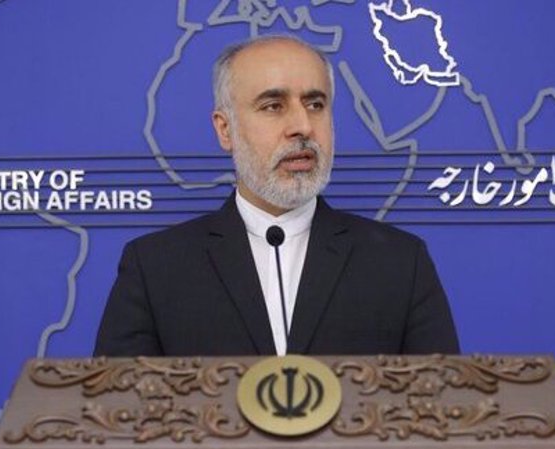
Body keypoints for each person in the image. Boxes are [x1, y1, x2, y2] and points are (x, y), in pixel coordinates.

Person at [94, 35, 459, 357]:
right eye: (274, 106)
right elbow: (115, 416)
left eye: (315, 104)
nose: (302, 126)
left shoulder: (400, 262)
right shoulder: (155, 267)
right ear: (225, 130)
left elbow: (444, 412)